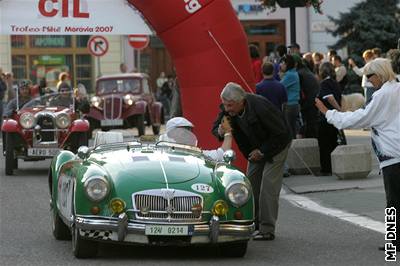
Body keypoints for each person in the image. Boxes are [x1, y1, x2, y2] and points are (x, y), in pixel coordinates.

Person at [315, 58, 400, 250]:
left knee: (393, 202)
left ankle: (394, 242)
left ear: (380, 74)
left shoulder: (382, 95)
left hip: (392, 155)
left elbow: (359, 118)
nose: (369, 81)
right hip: (395, 152)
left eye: (370, 77)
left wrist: (328, 114)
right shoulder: (396, 88)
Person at [212, 82, 291, 241]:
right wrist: (221, 130)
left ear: (241, 101)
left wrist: (262, 152)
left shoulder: (261, 106)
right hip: (254, 148)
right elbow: (216, 128)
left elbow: (281, 134)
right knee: (249, 185)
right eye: (225, 105)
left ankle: (267, 229)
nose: (227, 109)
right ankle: (251, 224)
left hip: (277, 145)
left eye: (230, 105)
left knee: (268, 187)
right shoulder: (228, 108)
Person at [160, 116, 233, 162]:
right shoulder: (160, 153)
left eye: (189, 131)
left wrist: (228, 132)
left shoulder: (195, 153)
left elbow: (221, 154)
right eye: (184, 131)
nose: (188, 135)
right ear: (172, 133)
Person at [316, 62, 343, 175]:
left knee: (324, 145)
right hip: (335, 117)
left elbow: (330, 98)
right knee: (333, 143)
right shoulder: (335, 83)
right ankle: (335, 167)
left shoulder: (324, 84)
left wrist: (339, 109)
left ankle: (326, 169)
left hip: (326, 117)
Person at [296, 59, 320, 138]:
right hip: (314, 99)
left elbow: (299, 90)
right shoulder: (306, 71)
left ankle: (311, 144)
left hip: (309, 101)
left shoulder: (299, 73)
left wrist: (301, 104)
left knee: (309, 125)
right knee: (312, 124)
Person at [280, 54, 301, 139]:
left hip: (290, 104)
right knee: (291, 128)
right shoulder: (292, 73)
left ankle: (292, 149)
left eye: (283, 63)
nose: (281, 65)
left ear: (287, 64)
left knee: (289, 129)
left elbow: (280, 87)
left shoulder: (290, 75)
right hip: (293, 104)